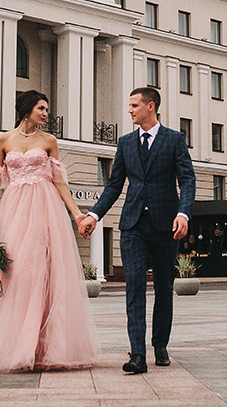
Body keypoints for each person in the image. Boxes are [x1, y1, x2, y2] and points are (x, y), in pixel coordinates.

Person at [0, 90, 99, 372]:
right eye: (41, 108)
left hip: (45, 208)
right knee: (17, 274)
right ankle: (17, 345)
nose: (46, 113)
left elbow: (60, 181)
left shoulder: (49, 141)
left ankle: (47, 346)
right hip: (14, 210)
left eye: (47, 109)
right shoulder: (3, 140)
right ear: (27, 109)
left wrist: (76, 214)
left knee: (43, 271)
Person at [78, 87, 195, 374]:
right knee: (134, 288)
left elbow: (187, 180)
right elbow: (115, 184)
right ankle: (138, 354)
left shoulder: (174, 139)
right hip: (132, 226)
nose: (129, 110)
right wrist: (94, 214)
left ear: (150, 106)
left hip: (167, 226)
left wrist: (183, 213)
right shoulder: (126, 143)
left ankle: (160, 345)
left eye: (133, 105)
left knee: (164, 288)